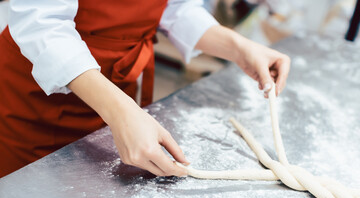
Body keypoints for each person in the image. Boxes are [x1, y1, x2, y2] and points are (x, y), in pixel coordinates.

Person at [0, 0, 290, 178]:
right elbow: (41, 25)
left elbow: (174, 8)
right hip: (35, 101)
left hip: (116, 94)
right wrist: (122, 112)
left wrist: (239, 48)